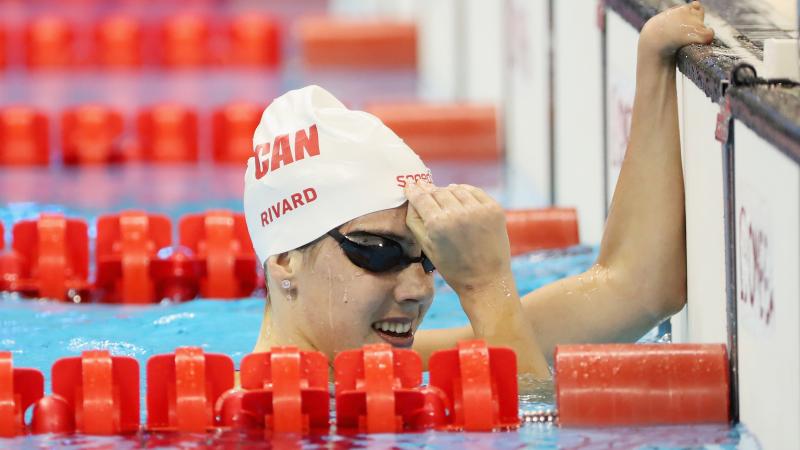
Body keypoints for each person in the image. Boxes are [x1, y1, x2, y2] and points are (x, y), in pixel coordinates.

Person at [246, 2, 715, 379]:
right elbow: (531, 429)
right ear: (284, 259)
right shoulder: (239, 425)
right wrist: (486, 287)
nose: (419, 290)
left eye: (430, 257)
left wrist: (653, 62)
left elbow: (637, 291)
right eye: (379, 252)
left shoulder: (403, 364)